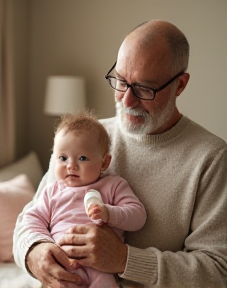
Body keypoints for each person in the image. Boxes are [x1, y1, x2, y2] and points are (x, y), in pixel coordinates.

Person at [13, 19, 227, 288]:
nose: (126, 100)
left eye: (144, 88)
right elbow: (29, 220)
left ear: (180, 85)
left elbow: (218, 270)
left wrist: (125, 259)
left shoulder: (211, 158)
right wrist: (35, 253)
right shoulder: (85, 140)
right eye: (121, 81)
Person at [17, 111, 147, 287]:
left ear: (104, 162)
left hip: (101, 268)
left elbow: (138, 216)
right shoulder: (52, 191)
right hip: (63, 265)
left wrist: (109, 213)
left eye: (82, 158)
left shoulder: (113, 185)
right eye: (62, 158)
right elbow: (32, 218)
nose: (71, 165)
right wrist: (43, 243)